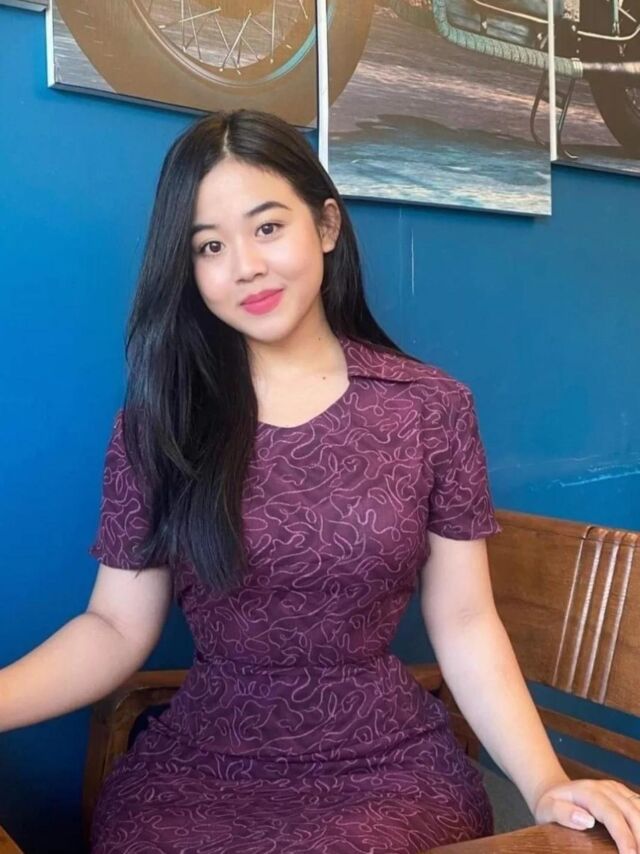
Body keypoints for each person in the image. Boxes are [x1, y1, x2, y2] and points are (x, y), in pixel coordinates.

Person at [1, 109, 639, 854]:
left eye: (268, 227)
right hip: (205, 764)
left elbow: (466, 621)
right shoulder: (160, 423)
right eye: (210, 246)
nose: (245, 266)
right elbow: (113, 628)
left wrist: (544, 783)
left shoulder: (430, 407)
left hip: (388, 767)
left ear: (327, 226)